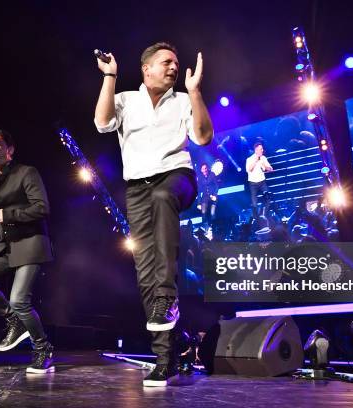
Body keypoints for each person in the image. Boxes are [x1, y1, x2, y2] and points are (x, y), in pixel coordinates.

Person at [94, 42, 213, 386]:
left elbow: (203, 137)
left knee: (163, 196)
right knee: (145, 267)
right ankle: (166, 358)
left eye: (177, 63)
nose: (175, 67)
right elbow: (102, 123)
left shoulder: (182, 101)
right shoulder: (126, 99)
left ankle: (166, 298)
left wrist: (195, 93)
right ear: (146, 69)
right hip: (137, 188)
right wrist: (110, 76)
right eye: (167, 63)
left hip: (177, 179)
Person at [0, 126, 54, 374]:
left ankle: (43, 348)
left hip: (30, 242)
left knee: (19, 299)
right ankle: (13, 320)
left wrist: (5, 215)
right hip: (6, 247)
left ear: (10, 150)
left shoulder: (27, 173)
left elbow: (42, 208)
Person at [246, 142, 273, 222]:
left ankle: (265, 215)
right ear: (256, 150)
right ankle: (256, 219)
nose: (262, 150)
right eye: (261, 149)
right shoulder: (249, 159)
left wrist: (269, 168)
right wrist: (256, 160)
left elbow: (268, 167)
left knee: (267, 197)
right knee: (254, 203)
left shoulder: (263, 158)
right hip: (253, 183)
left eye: (262, 149)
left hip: (262, 182)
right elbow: (249, 170)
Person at [197, 163, 219, 230]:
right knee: (203, 212)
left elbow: (216, 186)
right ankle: (206, 229)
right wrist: (198, 203)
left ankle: (214, 228)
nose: (205, 170)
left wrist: (215, 195)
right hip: (205, 197)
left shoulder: (212, 174)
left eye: (206, 168)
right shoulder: (200, 177)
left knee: (212, 213)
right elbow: (199, 191)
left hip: (213, 195)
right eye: (203, 169)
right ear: (201, 170)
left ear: (207, 168)